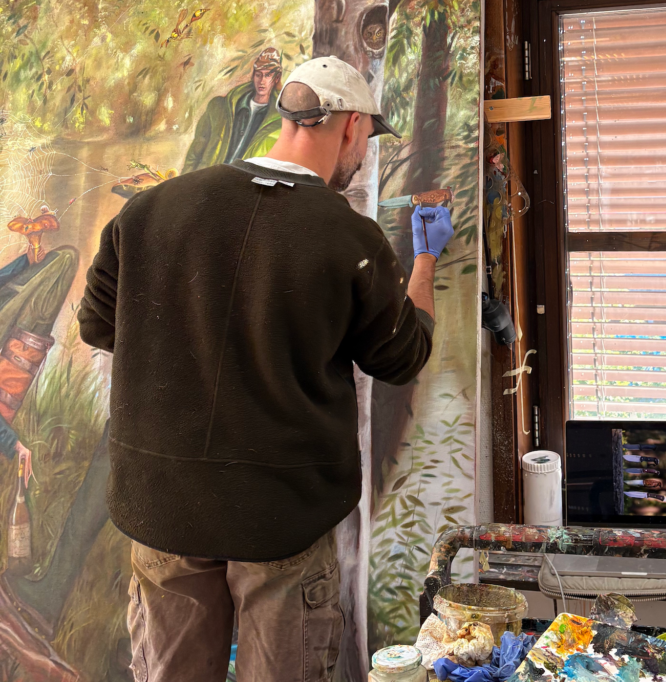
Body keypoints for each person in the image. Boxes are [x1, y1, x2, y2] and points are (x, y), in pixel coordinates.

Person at [77, 56, 454, 682]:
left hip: (164, 509)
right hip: (282, 519)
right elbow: (402, 356)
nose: (363, 153)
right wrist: (424, 261)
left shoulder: (149, 212)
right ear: (351, 125)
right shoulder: (349, 239)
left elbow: (98, 325)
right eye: (367, 137)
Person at [182, 47, 284, 173]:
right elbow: (194, 153)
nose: (262, 81)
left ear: (276, 78)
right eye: (258, 74)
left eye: (268, 75)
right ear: (253, 75)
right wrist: (184, 181)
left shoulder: (279, 124)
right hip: (208, 178)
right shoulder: (219, 107)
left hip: (240, 183)